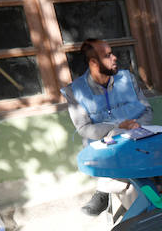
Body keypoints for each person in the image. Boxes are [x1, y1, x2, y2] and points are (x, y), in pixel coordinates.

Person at [62, 38, 153, 216]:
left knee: (128, 186)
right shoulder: (75, 91)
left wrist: (136, 126)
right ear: (94, 62)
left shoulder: (127, 79)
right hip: (102, 148)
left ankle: (105, 188)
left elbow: (147, 110)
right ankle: (147, 211)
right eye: (108, 55)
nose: (115, 58)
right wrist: (117, 127)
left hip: (138, 138)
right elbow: (84, 129)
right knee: (132, 180)